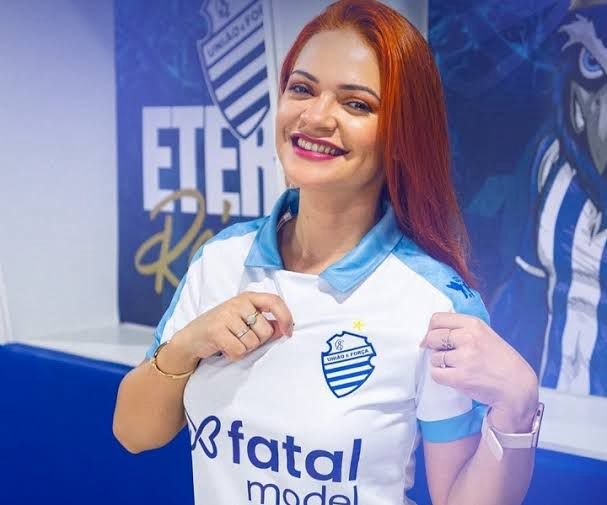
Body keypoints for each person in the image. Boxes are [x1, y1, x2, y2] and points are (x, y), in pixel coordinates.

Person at [113, 1, 542, 504]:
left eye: (356, 104)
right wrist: (189, 343)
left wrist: (518, 407)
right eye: (302, 89)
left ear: (401, 133)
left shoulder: (434, 303)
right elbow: (133, 432)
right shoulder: (221, 260)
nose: (315, 117)